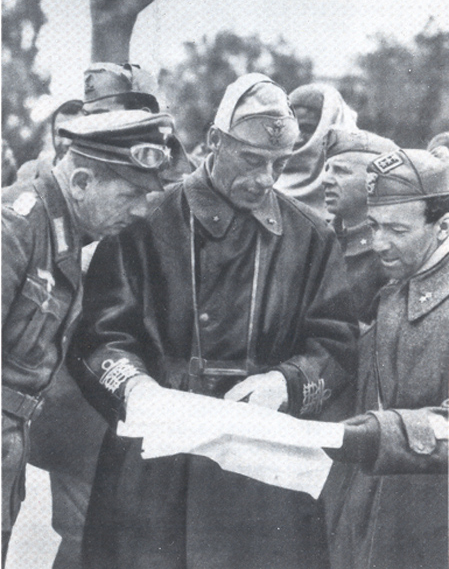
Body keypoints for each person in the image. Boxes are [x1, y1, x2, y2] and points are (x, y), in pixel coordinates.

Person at [69, 72, 358, 569]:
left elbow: (336, 343)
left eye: (280, 163)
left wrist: (286, 383)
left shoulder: (310, 236)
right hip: (155, 462)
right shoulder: (144, 218)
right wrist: (136, 389)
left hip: (263, 469)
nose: (266, 179)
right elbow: (98, 336)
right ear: (214, 141)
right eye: (251, 159)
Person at [1, 109, 182, 567]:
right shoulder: (15, 227)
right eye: (130, 194)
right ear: (81, 181)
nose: (141, 210)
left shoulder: (60, 232)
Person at [325, 148, 449, 569]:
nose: (379, 243)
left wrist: (382, 435)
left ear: (443, 225)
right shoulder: (394, 292)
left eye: (396, 229)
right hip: (376, 528)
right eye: (374, 225)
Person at [322, 127, 398, 323]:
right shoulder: (316, 238)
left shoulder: (391, 252)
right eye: (327, 169)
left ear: (376, 181)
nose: (325, 180)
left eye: (341, 171)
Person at [275, 83, 358, 216]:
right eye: (291, 128)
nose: (297, 139)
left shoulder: (356, 186)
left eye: (307, 129)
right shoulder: (266, 179)